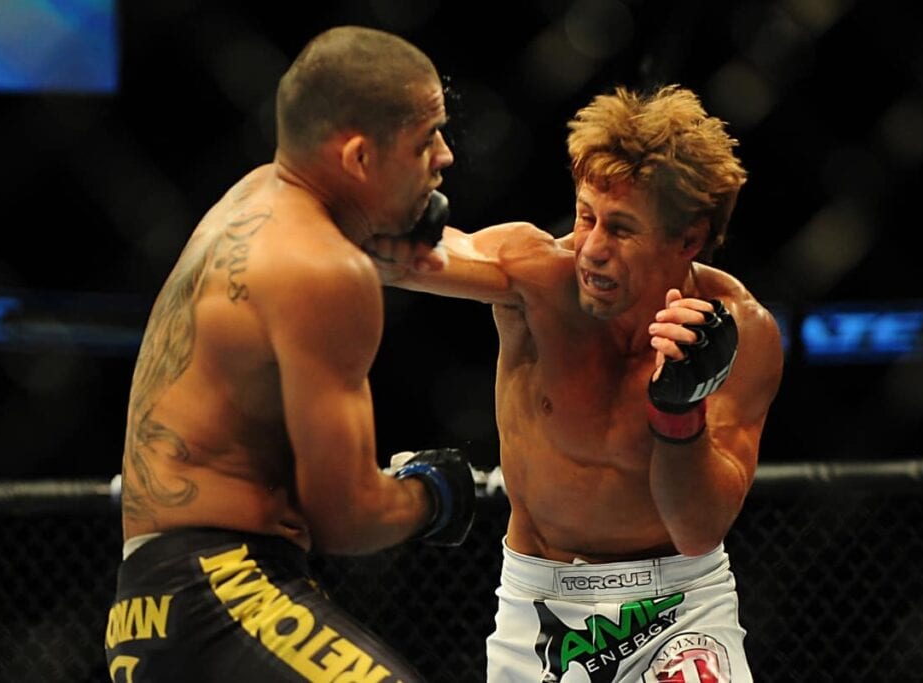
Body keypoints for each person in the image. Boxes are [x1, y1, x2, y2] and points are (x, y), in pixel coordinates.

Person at [368, 84, 783, 681]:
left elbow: (697, 529)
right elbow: (406, 257)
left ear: (688, 238)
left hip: (679, 607)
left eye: (621, 229)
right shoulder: (535, 277)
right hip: (537, 607)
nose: (590, 248)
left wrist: (679, 414)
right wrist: (368, 204)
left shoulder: (742, 332)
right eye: (586, 214)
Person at [104, 26, 476, 683]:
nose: (445, 156)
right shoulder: (324, 268)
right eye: (426, 140)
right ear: (359, 157)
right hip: (222, 586)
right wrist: (434, 492)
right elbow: (348, 515)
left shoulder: (251, 200)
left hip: (148, 597)